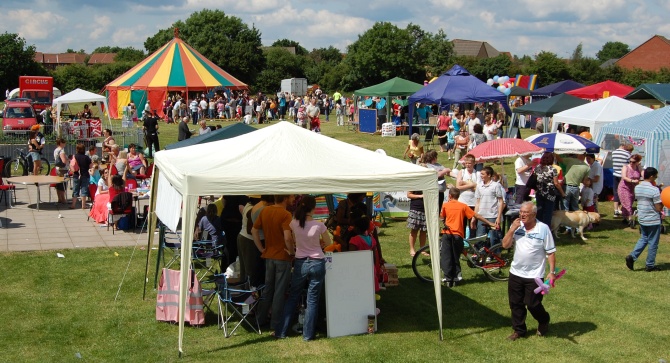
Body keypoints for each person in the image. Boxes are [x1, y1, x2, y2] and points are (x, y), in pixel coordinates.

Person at [275, 196, 331, 341]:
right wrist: (318, 244)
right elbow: (328, 242)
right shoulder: (319, 225)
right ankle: (308, 334)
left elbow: (292, 239)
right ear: (314, 208)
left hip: (300, 261)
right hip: (317, 261)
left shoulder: (294, 223)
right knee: (312, 300)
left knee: (293, 297)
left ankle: (282, 331)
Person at [502, 202, 556, 341]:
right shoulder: (517, 227)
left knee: (533, 303)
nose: (522, 214)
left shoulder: (543, 229)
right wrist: (511, 229)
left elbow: (550, 252)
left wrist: (552, 272)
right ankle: (519, 330)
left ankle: (544, 320)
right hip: (516, 272)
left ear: (534, 214)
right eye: (521, 212)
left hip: (534, 275)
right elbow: (505, 245)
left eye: (526, 212)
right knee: (515, 303)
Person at [252, 194, 295, 333]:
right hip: (282, 257)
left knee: (268, 289)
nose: (294, 199)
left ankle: (260, 319)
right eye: (292, 197)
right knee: (279, 291)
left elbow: (254, 230)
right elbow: (288, 237)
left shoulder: (265, 210)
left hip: (269, 256)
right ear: (285, 198)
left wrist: (261, 249)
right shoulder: (286, 214)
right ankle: (276, 324)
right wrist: (292, 252)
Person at [440, 187, 496, 287]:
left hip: (447, 233)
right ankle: (457, 277)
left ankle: (448, 278)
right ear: (458, 196)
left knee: (446, 256)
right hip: (458, 235)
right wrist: (489, 223)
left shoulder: (445, 205)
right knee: (456, 256)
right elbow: (476, 216)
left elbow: (442, 217)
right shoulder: (463, 206)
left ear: (449, 196)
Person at [625, 167, 663, 272]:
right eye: (656, 175)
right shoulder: (654, 190)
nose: (656, 177)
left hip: (642, 217)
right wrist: (663, 199)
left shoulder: (638, 187)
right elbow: (658, 208)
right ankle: (650, 265)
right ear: (651, 176)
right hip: (652, 219)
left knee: (644, 238)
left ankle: (632, 257)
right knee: (653, 243)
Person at [348, 214, 382, 292]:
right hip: (370, 266)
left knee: (360, 287)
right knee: (370, 286)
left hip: (358, 268)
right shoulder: (372, 239)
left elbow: (351, 256)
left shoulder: (354, 240)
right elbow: (374, 256)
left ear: (356, 228)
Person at [472, 166, 505, 246]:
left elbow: (501, 201)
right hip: (481, 216)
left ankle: (496, 255)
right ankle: (482, 255)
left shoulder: (496, 185)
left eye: (483, 174)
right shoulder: (479, 186)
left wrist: (498, 217)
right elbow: (478, 202)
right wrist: (474, 217)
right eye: (481, 174)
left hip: (493, 216)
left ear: (489, 175)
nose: (481, 176)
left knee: (494, 238)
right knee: (480, 238)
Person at [534, 152, 565, 227]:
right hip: (549, 194)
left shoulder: (537, 167)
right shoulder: (552, 169)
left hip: (539, 193)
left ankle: (538, 228)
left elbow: (535, 179)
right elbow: (556, 183)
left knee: (539, 212)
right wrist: (562, 193)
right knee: (548, 213)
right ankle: (547, 230)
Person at [618, 154, 643, 224]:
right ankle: (630, 219)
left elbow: (643, 174)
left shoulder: (638, 168)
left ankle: (625, 218)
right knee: (628, 203)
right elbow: (624, 177)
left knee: (628, 203)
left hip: (632, 189)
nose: (631, 163)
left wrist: (640, 167)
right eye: (630, 161)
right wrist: (632, 181)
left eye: (634, 162)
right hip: (623, 187)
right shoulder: (625, 167)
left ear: (637, 162)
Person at [612, 144, 634, 216]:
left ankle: (616, 210)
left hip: (615, 174)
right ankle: (622, 208)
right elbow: (629, 165)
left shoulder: (613, 152)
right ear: (624, 146)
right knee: (623, 192)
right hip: (623, 175)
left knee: (616, 192)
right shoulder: (627, 154)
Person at [70, 143, 92, 209]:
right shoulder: (87, 158)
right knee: (84, 190)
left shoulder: (75, 157)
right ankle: (83, 205)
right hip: (85, 175)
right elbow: (91, 166)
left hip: (76, 175)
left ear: (77, 149)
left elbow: (71, 165)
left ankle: (73, 205)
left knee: (75, 190)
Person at [407, 189, 427, 257]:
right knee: (414, 230)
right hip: (415, 208)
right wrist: (420, 196)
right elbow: (409, 195)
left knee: (424, 231)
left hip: (426, 209)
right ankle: (412, 249)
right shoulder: (415, 181)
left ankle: (422, 249)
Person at [53, 138, 69, 204]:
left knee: (58, 184)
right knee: (63, 184)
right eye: (64, 142)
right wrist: (68, 160)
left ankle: (59, 198)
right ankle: (63, 199)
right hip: (63, 169)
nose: (65, 144)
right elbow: (64, 161)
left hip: (57, 169)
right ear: (61, 143)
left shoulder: (55, 150)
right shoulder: (61, 151)